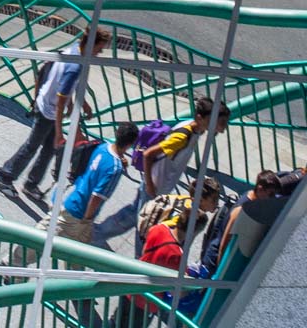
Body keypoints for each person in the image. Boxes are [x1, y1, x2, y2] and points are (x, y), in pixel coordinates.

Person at [0, 25, 111, 202]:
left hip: (45, 103)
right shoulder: (75, 67)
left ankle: (31, 184)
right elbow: (60, 102)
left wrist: (82, 103)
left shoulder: (74, 50)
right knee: (31, 147)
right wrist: (59, 132)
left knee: (50, 149)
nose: (99, 53)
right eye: (99, 49)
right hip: (48, 112)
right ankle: (2, 176)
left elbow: (62, 84)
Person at [94, 96, 230, 252]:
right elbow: (148, 155)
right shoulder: (183, 136)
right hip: (154, 187)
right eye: (220, 123)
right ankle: (139, 262)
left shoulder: (193, 131)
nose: (223, 128)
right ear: (200, 118)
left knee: (134, 215)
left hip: (156, 185)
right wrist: (151, 187)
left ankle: (96, 234)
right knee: (144, 228)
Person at [39, 122, 139, 247]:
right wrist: (86, 220)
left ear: (117, 134)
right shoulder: (115, 169)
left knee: (75, 253)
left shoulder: (102, 147)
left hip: (69, 196)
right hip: (77, 213)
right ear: (130, 144)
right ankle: (9, 261)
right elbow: (96, 197)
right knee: (40, 242)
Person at [112, 203, 206, 328]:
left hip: (131, 288)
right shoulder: (177, 256)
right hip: (147, 302)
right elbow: (176, 291)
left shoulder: (159, 228)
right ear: (193, 232)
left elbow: (144, 250)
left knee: (115, 322)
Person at [202, 170, 282, 273]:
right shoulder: (242, 209)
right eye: (270, 194)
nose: (272, 198)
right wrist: (220, 268)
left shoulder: (250, 197)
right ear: (260, 189)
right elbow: (225, 240)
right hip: (214, 260)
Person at [137, 175, 220, 247]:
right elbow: (161, 231)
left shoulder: (187, 200)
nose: (217, 203)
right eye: (214, 199)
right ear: (200, 200)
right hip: (153, 243)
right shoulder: (187, 218)